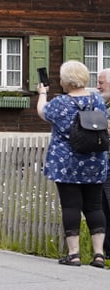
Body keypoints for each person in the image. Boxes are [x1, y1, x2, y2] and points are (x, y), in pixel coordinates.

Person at [37, 60, 107, 268]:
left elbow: (43, 113)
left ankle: (74, 254)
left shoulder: (60, 103)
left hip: (66, 162)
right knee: (95, 206)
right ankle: (99, 255)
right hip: (95, 160)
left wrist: (42, 93)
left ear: (65, 81)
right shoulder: (98, 100)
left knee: (71, 206)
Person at [97, 67, 110, 258]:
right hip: (104, 163)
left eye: (101, 82)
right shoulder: (104, 105)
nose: (97, 86)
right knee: (104, 207)